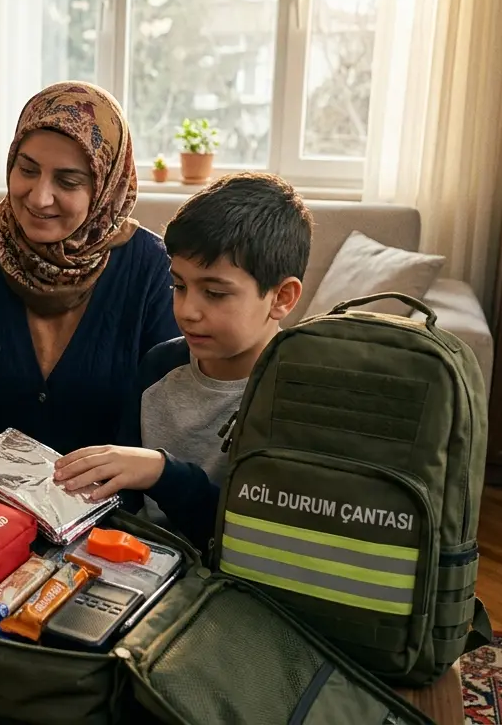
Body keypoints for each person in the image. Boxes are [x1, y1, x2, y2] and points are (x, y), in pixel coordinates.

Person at [0, 82, 180, 456]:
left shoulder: (152, 267)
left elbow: (158, 414)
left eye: (68, 181)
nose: (39, 197)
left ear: (105, 185)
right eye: (27, 169)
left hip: (105, 500)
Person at [52, 173, 313, 551]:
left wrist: (163, 473)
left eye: (215, 293)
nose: (188, 311)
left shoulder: (296, 396)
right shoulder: (160, 366)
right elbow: (125, 503)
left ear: (282, 298)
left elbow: (254, 543)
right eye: (179, 286)